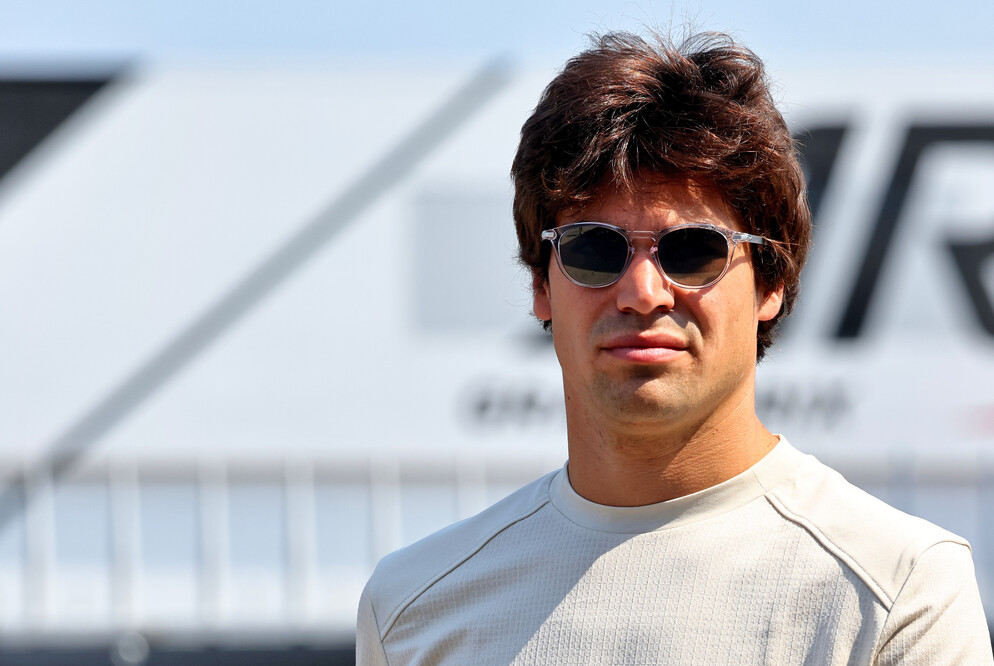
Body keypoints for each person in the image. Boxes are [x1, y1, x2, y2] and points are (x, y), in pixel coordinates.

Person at [356, 31, 993, 665]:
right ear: (539, 285)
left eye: (693, 250)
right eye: (592, 249)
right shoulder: (412, 608)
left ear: (771, 282)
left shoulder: (902, 591)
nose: (640, 292)